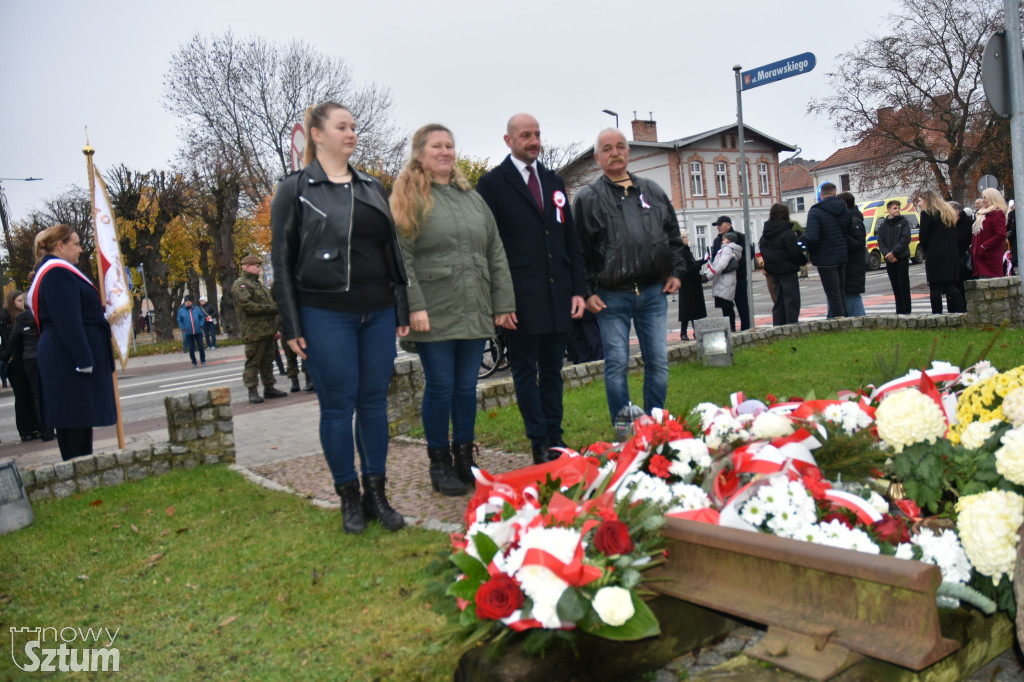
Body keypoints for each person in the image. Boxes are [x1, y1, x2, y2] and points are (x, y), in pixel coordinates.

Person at [272, 101, 410, 533]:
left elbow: (392, 252)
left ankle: (377, 494)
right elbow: (282, 259)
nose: (351, 133)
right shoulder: (294, 189)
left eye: (353, 126)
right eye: (341, 126)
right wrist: (292, 325)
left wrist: (401, 307)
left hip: (378, 311)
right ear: (316, 134)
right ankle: (348, 496)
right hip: (325, 312)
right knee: (337, 406)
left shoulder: (372, 186)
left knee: (373, 404)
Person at [392, 123, 515, 497]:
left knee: (465, 388)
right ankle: (439, 463)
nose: (445, 152)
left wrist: (503, 302)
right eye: (436, 147)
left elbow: (495, 251)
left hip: (474, 306)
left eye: (449, 146)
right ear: (420, 154)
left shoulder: (471, 198)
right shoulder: (411, 197)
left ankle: (465, 459)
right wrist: (415, 306)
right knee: (441, 387)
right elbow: (402, 258)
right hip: (434, 310)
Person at [476, 113, 586, 465]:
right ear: (508, 141)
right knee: (526, 371)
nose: (534, 141)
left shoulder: (554, 180)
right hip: (519, 299)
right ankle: (538, 442)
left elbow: (570, 239)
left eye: (537, 134)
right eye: (526, 135)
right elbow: (487, 247)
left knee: (554, 370)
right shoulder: (492, 184)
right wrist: (499, 302)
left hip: (558, 297)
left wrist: (578, 290)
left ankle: (556, 438)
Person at [573, 128, 686, 424]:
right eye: (607, 148)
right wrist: (587, 291)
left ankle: (655, 426)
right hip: (611, 297)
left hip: (653, 293)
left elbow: (673, 236)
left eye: (620, 146)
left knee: (659, 363)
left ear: (628, 152)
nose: (615, 152)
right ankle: (624, 431)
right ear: (597, 158)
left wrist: (676, 271)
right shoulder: (587, 199)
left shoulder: (654, 191)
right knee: (616, 364)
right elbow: (578, 251)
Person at [27, 224, 116, 460]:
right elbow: (67, 319)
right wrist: (84, 358)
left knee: (78, 418)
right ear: (60, 246)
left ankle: (81, 470)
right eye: (75, 244)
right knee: (74, 419)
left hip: (65, 354)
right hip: (68, 357)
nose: (80, 249)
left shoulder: (57, 272)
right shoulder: (57, 273)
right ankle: (80, 473)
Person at [232, 255, 288, 404]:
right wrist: (273, 309)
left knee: (267, 361)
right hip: (254, 332)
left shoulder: (259, 285)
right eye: (256, 266)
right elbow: (248, 306)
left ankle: (269, 387)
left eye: (259, 266)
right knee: (253, 362)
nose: (259, 268)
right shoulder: (241, 285)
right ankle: (252, 390)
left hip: (267, 330)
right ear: (246, 267)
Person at [1, 291, 47, 441]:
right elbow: (8, 341)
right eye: (19, 300)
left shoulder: (27, 316)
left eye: (23, 300)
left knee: (33, 394)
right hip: (14, 363)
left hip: (27, 360)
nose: (22, 303)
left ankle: (36, 426)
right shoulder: (5, 319)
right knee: (21, 397)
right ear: (12, 302)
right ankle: (25, 430)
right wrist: (6, 356)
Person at [803, 182, 850, 318]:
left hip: (825, 258)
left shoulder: (815, 211)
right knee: (841, 291)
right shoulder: (844, 210)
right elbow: (849, 230)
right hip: (841, 254)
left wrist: (811, 252)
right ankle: (844, 318)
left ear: (820, 194)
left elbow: (812, 237)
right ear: (834, 193)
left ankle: (839, 322)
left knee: (832, 293)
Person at [917, 190, 967, 313]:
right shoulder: (947, 212)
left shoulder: (927, 214)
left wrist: (926, 250)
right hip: (951, 253)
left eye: (920, 201)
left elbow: (923, 237)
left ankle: (937, 316)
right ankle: (962, 312)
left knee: (935, 287)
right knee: (950, 285)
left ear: (927, 200)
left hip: (935, 254)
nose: (918, 204)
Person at [758, 203, 806, 326]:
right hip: (788, 270)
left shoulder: (766, 234)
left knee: (779, 301)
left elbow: (763, 250)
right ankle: (791, 326)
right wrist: (803, 260)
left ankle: (778, 326)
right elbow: (793, 252)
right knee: (791, 300)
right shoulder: (787, 232)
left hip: (773, 270)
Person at [710, 216, 751, 329]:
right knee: (726, 306)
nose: (718, 227)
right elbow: (715, 258)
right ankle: (730, 329)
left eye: (720, 224)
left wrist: (736, 264)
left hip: (739, 276)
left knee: (742, 304)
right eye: (717, 225)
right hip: (724, 279)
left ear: (728, 225)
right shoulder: (717, 240)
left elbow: (749, 253)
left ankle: (746, 328)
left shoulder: (740, 237)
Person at [876, 199, 913, 313]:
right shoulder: (883, 225)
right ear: (888, 210)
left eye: (898, 208)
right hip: (889, 259)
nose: (897, 210)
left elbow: (905, 239)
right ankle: (899, 309)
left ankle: (906, 310)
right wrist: (887, 254)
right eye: (894, 208)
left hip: (901, 257)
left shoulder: (904, 222)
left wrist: (894, 252)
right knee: (895, 285)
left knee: (903, 284)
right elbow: (880, 241)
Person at [703, 231, 743, 330]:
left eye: (724, 238)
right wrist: (706, 273)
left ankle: (731, 327)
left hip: (725, 280)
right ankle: (730, 327)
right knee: (726, 305)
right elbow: (716, 264)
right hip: (724, 280)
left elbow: (720, 265)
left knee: (727, 306)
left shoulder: (727, 249)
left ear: (729, 240)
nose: (722, 240)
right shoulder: (727, 249)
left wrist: (708, 277)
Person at [838, 192, 867, 317]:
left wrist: (842, 236)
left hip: (853, 268)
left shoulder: (854, 221)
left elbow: (858, 243)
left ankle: (861, 323)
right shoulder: (849, 219)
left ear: (845, 205)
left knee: (852, 299)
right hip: (849, 267)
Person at [971, 188, 1008, 279]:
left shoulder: (997, 213)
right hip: (981, 255)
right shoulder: (981, 214)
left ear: (992, 198)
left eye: (985, 198)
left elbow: (1001, 234)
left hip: (990, 256)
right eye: (982, 198)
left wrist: (984, 246)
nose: (983, 200)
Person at [677, 232, 707, 339]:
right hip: (687, 284)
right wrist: (700, 264)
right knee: (687, 310)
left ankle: (696, 331)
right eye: (685, 237)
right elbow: (687, 269)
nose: (687, 239)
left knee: (694, 310)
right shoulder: (681, 252)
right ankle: (683, 332)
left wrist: (702, 261)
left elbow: (692, 265)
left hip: (693, 284)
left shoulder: (686, 250)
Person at [176, 295, 207, 367]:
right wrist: (184, 328)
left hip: (198, 331)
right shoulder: (181, 311)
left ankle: (203, 360)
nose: (188, 303)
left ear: (191, 302)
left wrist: (200, 325)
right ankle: (194, 361)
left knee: (201, 346)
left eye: (189, 301)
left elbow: (202, 317)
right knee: (191, 348)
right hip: (188, 332)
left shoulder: (196, 309)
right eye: (186, 301)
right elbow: (179, 320)